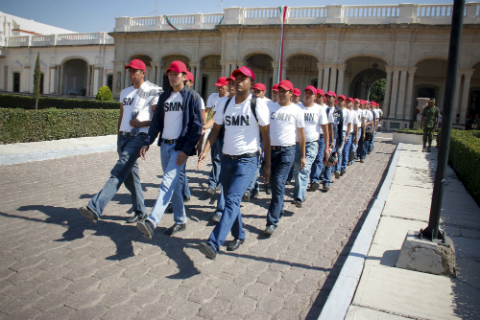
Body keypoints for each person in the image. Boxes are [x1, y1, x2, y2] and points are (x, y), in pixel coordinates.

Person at [197, 66, 271, 259]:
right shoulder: (225, 104)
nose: (238, 81)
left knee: (231, 201)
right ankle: (239, 234)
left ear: (251, 83)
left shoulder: (258, 104)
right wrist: (205, 150)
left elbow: (266, 135)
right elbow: (215, 129)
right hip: (226, 159)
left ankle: (214, 243)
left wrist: (267, 164)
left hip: (247, 160)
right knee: (233, 202)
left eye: (243, 78)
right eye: (235, 78)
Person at [78, 59, 161, 224]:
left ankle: (95, 207)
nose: (131, 74)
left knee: (118, 171)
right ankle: (141, 211)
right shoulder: (125, 92)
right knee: (130, 176)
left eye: (134, 71)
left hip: (139, 137)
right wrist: (118, 135)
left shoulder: (152, 91)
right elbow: (122, 116)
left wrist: (141, 125)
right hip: (123, 137)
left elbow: (158, 119)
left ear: (143, 73)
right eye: (129, 71)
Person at [136, 60, 203, 240]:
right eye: (170, 74)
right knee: (175, 185)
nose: (172, 77)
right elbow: (157, 122)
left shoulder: (192, 97)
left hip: (179, 148)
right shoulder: (164, 97)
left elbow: (197, 127)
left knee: (167, 183)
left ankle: (151, 221)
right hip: (164, 145)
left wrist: (185, 150)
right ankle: (181, 220)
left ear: (184, 76)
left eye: (175, 74)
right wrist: (147, 141)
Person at [265, 80, 306, 235]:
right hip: (270, 150)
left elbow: (301, 135)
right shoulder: (270, 107)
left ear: (291, 93)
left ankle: (272, 222)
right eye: (279, 91)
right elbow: (264, 130)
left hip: (287, 151)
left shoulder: (297, 111)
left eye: (285, 91)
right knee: (273, 184)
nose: (281, 94)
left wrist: (302, 156)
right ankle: (279, 208)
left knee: (278, 183)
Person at [292, 86, 329, 207]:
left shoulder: (319, 110)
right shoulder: (297, 108)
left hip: (311, 144)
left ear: (315, 96)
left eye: (310, 94)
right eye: (306, 93)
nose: (307, 95)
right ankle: (299, 193)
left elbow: (325, 129)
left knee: (305, 168)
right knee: (298, 169)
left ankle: (299, 197)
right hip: (296, 144)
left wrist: (327, 147)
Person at [204, 77, 230, 195]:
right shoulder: (213, 97)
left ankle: (213, 183)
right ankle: (217, 180)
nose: (219, 88)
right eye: (218, 86)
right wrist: (204, 125)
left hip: (225, 133)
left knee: (217, 159)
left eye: (221, 86)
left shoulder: (230, 99)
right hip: (214, 131)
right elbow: (208, 112)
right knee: (214, 158)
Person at [310, 88, 333, 191]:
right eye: (316, 96)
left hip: (323, 136)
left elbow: (330, 126)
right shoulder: (310, 107)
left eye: (320, 96)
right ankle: (314, 179)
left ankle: (317, 180)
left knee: (320, 158)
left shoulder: (328, 109)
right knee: (313, 159)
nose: (318, 98)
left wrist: (331, 140)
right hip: (312, 136)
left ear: (323, 98)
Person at [322, 91, 343, 191]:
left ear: (334, 99)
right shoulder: (322, 108)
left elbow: (340, 126)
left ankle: (326, 181)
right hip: (321, 136)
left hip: (332, 137)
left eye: (331, 97)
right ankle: (319, 177)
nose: (329, 98)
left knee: (328, 159)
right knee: (319, 159)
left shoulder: (338, 111)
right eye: (327, 96)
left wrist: (339, 140)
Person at [335, 95, 352, 178]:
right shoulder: (334, 110)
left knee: (339, 151)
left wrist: (347, 135)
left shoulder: (347, 112)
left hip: (343, 131)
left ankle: (338, 169)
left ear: (344, 102)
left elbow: (349, 124)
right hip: (335, 131)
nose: (339, 102)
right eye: (339, 100)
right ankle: (332, 169)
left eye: (341, 100)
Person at [344, 97, 359, 168]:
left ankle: (350, 159)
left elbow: (356, 125)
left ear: (352, 104)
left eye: (349, 102)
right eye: (347, 101)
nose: (347, 103)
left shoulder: (354, 113)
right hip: (343, 132)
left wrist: (356, 136)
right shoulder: (342, 111)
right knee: (342, 151)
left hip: (351, 133)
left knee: (350, 149)